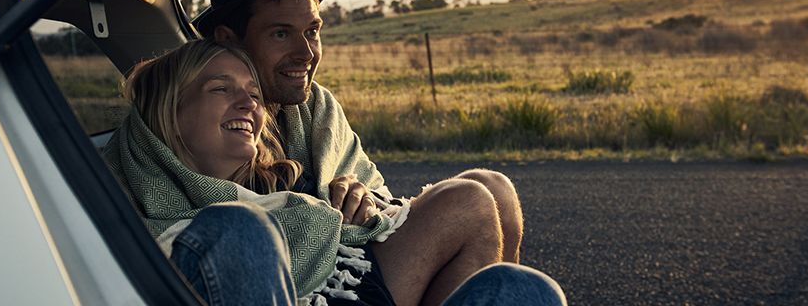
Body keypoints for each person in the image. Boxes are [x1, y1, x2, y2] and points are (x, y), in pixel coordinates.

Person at [196, 0, 537, 303]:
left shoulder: (315, 106)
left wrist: (362, 197)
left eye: (312, 31)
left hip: (350, 247)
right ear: (229, 40)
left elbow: (375, 193)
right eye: (281, 34)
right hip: (312, 278)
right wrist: (325, 217)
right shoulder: (207, 112)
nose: (307, 53)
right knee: (469, 203)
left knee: (495, 186)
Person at [102, 40, 566, 305]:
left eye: (254, 95)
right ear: (167, 112)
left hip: (354, 293)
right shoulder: (125, 208)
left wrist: (361, 205)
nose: (249, 103)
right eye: (221, 89)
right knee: (234, 228)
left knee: (524, 288)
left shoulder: (283, 193)